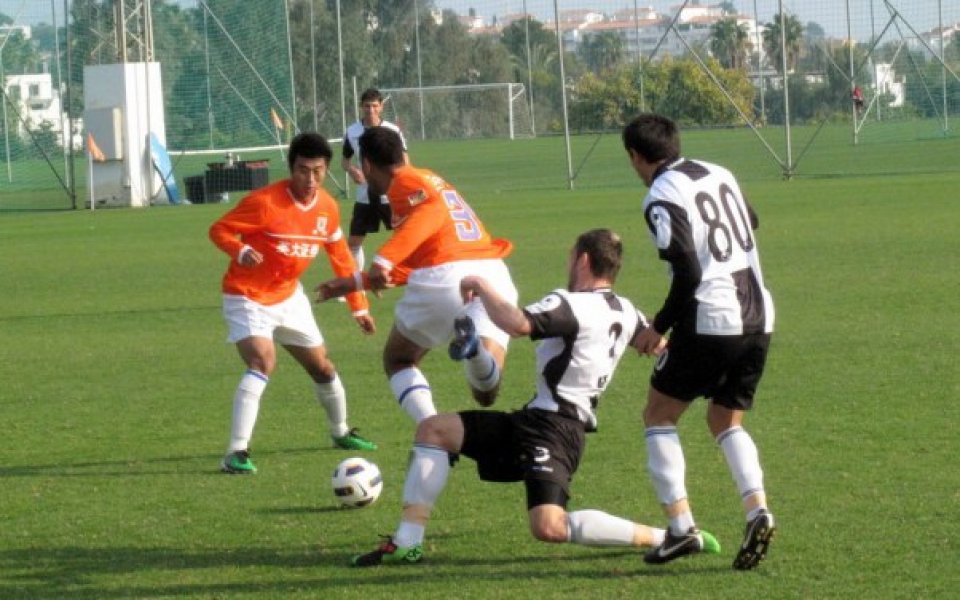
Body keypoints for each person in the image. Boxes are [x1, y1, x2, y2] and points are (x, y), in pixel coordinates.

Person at [349, 229, 721, 566]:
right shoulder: (626, 310)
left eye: (570, 255)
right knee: (433, 430)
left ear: (584, 260)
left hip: (556, 431)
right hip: (535, 419)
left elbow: (518, 323)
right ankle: (407, 541)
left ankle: (667, 536)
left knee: (549, 526)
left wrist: (480, 282)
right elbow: (655, 344)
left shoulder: (569, 303)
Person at [621, 113, 776, 570]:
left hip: (714, 317)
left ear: (635, 156)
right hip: (760, 315)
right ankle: (757, 509)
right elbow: (751, 219)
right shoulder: (718, 172)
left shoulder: (661, 194)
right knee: (726, 420)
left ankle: (680, 527)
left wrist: (659, 326)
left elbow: (688, 271)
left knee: (659, 414)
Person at [317, 126, 516, 423]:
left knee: (398, 360)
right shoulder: (429, 178)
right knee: (486, 393)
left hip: (448, 276)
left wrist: (383, 259)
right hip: (493, 274)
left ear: (367, 164)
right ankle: (474, 352)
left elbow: (431, 213)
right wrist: (358, 282)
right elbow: (425, 249)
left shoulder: (405, 181)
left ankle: (432, 429)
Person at [209, 132, 377, 475]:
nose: (310, 179)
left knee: (323, 368)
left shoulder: (327, 208)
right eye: (303, 170)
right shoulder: (265, 202)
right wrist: (239, 249)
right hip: (247, 296)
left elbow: (342, 258)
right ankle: (236, 452)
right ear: (291, 168)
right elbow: (220, 229)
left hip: (288, 296)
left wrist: (358, 307)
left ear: (327, 170)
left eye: (317, 171)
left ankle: (341, 431)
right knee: (262, 362)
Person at [341, 88, 409, 271]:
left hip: (391, 195)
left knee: (405, 236)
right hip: (365, 195)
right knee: (354, 241)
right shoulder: (352, 131)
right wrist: (352, 170)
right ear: (361, 107)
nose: (370, 110)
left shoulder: (392, 130)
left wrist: (403, 184)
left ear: (381, 107)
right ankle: (355, 285)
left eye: (374, 106)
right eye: (366, 106)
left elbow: (405, 162)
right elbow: (345, 161)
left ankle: (407, 277)